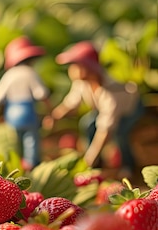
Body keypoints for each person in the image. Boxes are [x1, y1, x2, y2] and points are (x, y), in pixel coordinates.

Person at [43, 41, 144, 179]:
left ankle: (127, 167)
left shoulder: (112, 93)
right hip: (102, 110)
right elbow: (71, 102)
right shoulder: (82, 83)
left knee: (121, 134)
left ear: (88, 67)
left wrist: (89, 158)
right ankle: (98, 164)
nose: (71, 69)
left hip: (129, 110)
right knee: (88, 124)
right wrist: (56, 116)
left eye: (75, 65)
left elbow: (105, 130)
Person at [0, 36, 51, 169]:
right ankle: (31, 164)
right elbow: (42, 94)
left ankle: (15, 166)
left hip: (11, 112)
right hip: (27, 111)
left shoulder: (9, 75)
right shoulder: (30, 73)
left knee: (14, 141)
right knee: (30, 140)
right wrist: (50, 111)